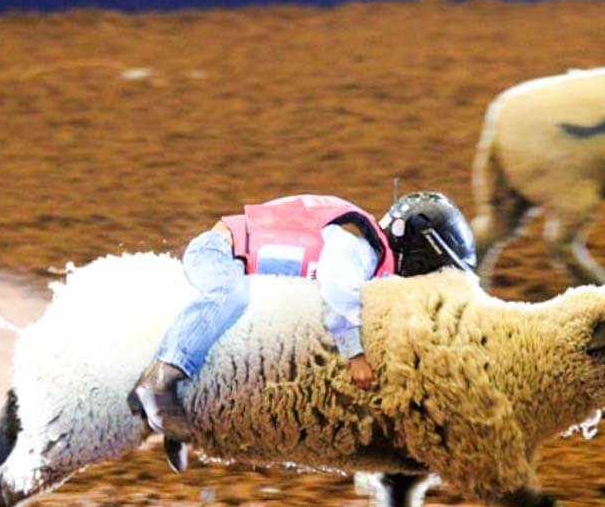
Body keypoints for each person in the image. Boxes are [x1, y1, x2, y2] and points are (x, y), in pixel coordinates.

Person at [128, 191, 476, 472]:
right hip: (218, 251)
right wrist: (355, 354)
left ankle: (175, 419)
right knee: (230, 295)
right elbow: (337, 292)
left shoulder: (370, 263)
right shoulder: (356, 249)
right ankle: (159, 378)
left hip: (242, 264)